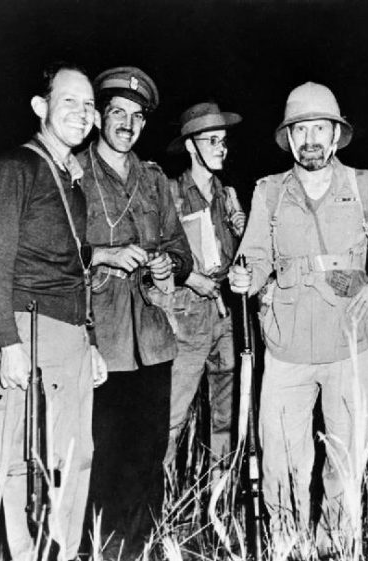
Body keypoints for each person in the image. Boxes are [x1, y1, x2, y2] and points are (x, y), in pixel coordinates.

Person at [229, 82, 368, 557]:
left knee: (345, 459)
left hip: (353, 345)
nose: (311, 139)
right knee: (281, 463)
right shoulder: (269, 192)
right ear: (289, 138)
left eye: (320, 128)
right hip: (286, 350)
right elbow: (254, 258)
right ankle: (289, 545)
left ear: (336, 136)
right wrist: (245, 277)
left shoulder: (363, 186)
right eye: (301, 130)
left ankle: (337, 545)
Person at [0, 61, 107, 561]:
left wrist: (88, 342)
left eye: (89, 104)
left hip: (69, 336)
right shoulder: (16, 169)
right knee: (24, 462)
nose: (83, 112)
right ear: (41, 107)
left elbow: (72, 268)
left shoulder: (71, 179)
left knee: (75, 457)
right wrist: (7, 342)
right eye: (69, 100)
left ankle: (64, 554)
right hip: (29, 331)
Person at [78, 66, 192, 559]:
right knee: (101, 456)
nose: (127, 123)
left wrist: (172, 261)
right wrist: (101, 254)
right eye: (117, 112)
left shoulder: (153, 180)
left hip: (152, 339)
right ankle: (98, 549)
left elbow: (179, 248)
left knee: (149, 455)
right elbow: (50, 250)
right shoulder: (74, 173)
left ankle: (142, 548)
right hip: (99, 339)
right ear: (100, 116)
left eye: (137, 116)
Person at [162, 102, 245, 469]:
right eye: (211, 141)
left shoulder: (227, 196)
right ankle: (157, 505)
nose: (220, 148)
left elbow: (238, 260)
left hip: (224, 315)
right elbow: (151, 256)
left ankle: (218, 503)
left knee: (226, 418)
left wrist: (244, 231)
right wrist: (188, 276)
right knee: (173, 416)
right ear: (191, 147)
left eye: (223, 141)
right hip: (184, 316)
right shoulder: (168, 193)